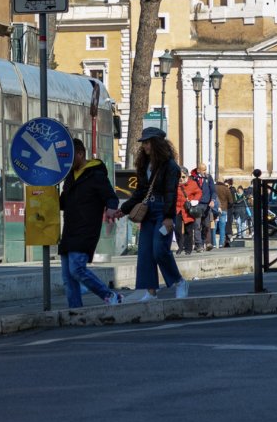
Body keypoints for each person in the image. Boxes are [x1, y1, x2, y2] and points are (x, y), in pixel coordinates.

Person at [118, 127, 189, 301]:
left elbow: (170, 193)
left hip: (162, 210)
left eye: (148, 142)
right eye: (144, 143)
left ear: (157, 143)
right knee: (145, 252)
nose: (145, 146)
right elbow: (140, 191)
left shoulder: (170, 166)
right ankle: (150, 291)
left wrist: (168, 217)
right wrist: (124, 209)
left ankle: (179, 282)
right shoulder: (144, 164)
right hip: (148, 211)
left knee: (159, 250)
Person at [58, 138, 123, 308]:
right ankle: (75, 311)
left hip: (86, 229)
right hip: (69, 229)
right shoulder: (70, 177)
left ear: (80, 154)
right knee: (67, 276)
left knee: (76, 269)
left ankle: (109, 295)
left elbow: (110, 196)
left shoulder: (96, 175)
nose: (67, 162)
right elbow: (63, 202)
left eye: (69, 158)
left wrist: (110, 208)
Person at [176, 167, 202, 256]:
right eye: (179, 177)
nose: (181, 179)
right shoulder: (174, 184)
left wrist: (195, 200)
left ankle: (188, 249)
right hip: (177, 209)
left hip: (188, 210)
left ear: (187, 176)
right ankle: (180, 247)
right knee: (177, 229)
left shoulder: (192, 184)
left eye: (183, 177)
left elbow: (199, 192)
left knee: (189, 230)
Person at [189, 163, 215, 251]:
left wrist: (212, 200)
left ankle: (205, 241)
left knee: (206, 225)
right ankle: (198, 244)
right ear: (198, 170)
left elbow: (213, 190)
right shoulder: (193, 178)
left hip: (207, 204)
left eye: (205, 169)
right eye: (203, 170)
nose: (205, 171)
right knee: (197, 224)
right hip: (197, 204)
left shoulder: (208, 177)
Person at [215, 178, 234, 247]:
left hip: (215, 209)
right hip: (224, 209)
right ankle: (221, 243)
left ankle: (214, 244)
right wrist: (226, 206)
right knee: (222, 227)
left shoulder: (214, 187)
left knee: (214, 227)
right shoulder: (226, 189)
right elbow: (231, 201)